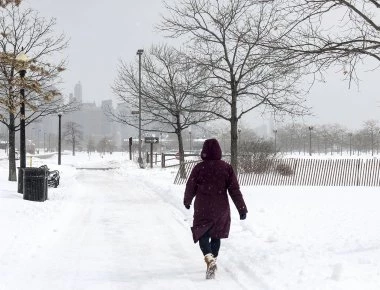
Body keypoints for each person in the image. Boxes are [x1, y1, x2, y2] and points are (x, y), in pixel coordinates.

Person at [183, 138, 248, 279]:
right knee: (216, 235)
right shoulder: (226, 167)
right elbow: (234, 190)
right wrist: (241, 208)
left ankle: (209, 259)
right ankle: (214, 259)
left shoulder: (199, 168)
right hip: (220, 207)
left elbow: (191, 186)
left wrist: (187, 200)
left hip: (203, 207)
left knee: (202, 233)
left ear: (204, 151)